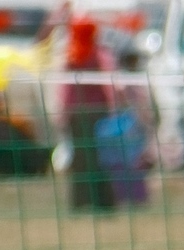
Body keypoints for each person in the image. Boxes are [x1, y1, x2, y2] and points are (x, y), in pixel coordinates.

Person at [65, 17, 116, 213]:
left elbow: (65, 90)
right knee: (100, 159)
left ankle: (81, 202)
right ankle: (103, 202)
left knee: (80, 161)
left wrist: (63, 111)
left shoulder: (70, 55)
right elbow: (109, 83)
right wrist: (113, 108)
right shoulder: (99, 54)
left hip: (76, 115)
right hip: (97, 114)